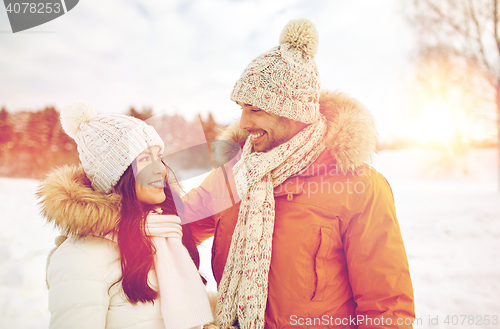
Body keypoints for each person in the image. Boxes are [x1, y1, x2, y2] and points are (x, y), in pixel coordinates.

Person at [182, 18, 415, 328]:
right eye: (241, 108)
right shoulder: (234, 175)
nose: (243, 122)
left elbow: (386, 307)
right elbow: (174, 222)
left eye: (255, 109)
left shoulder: (360, 187)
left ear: (292, 112)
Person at [37, 102, 214, 329]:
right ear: (117, 176)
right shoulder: (81, 257)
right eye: (144, 160)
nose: (160, 169)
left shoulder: (166, 235)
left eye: (158, 156)